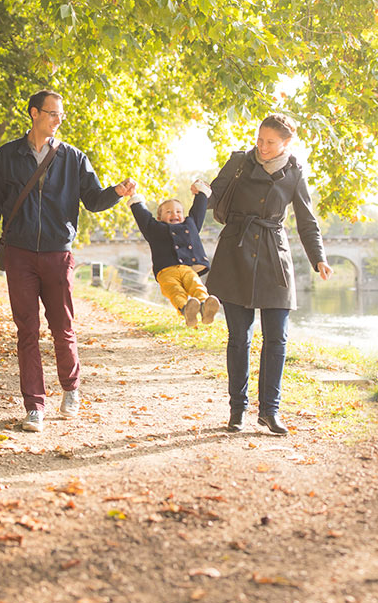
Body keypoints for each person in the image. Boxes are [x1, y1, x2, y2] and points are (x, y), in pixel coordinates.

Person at [0, 89, 136, 433]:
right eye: (52, 113)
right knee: (27, 331)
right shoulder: (7, 156)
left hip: (58, 253)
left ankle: (71, 389)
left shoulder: (74, 158)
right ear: (34, 113)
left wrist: (116, 192)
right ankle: (34, 406)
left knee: (63, 328)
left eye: (61, 115)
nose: (58, 120)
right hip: (18, 254)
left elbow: (92, 200)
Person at [207, 114, 333, 435]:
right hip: (235, 254)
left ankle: (270, 412)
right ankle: (238, 410)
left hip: (275, 259)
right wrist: (200, 193)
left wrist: (319, 259)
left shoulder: (294, 174)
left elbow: (307, 221)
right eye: (260, 139)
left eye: (270, 142)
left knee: (277, 338)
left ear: (286, 144)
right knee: (240, 338)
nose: (262, 147)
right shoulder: (238, 162)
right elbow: (213, 197)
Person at [128, 181, 221, 327]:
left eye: (178, 211)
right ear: (159, 217)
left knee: (196, 285)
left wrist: (201, 193)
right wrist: (135, 198)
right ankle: (186, 310)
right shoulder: (154, 228)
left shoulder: (190, 225)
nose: (174, 214)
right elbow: (143, 216)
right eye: (169, 212)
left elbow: (198, 210)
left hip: (187, 268)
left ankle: (205, 305)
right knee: (175, 291)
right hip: (166, 271)